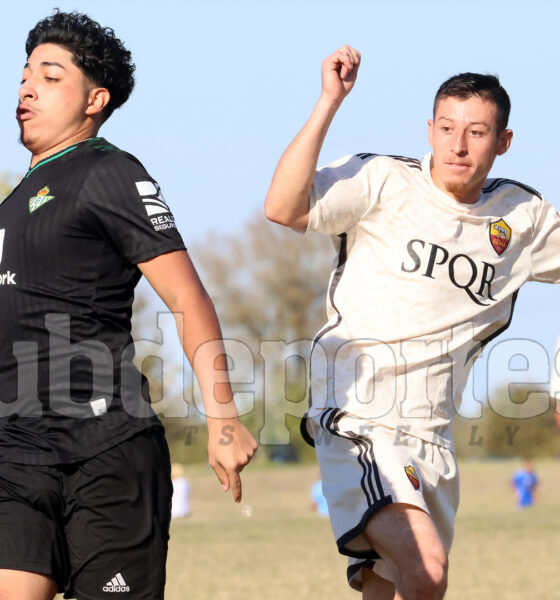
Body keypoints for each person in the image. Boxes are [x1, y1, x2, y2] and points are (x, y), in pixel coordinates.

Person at [265, 45, 560, 599]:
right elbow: (283, 207)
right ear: (429, 129)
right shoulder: (382, 181)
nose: (458, 144)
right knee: (426, 569)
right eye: (447, 127)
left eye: (476, 132)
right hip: (361, 418)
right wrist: (329, 101)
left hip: (435, 436)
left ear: (504, 141)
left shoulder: (522, 218)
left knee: (396, 587)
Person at [0, 10, 257, 600]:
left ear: (95, 99)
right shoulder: (15, 201)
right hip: (14, 455)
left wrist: (222, 417)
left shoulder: (110, 172)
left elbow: (187, 296)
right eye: (23, 75)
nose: (26, 88)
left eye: (50, 75)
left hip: (105, 451)